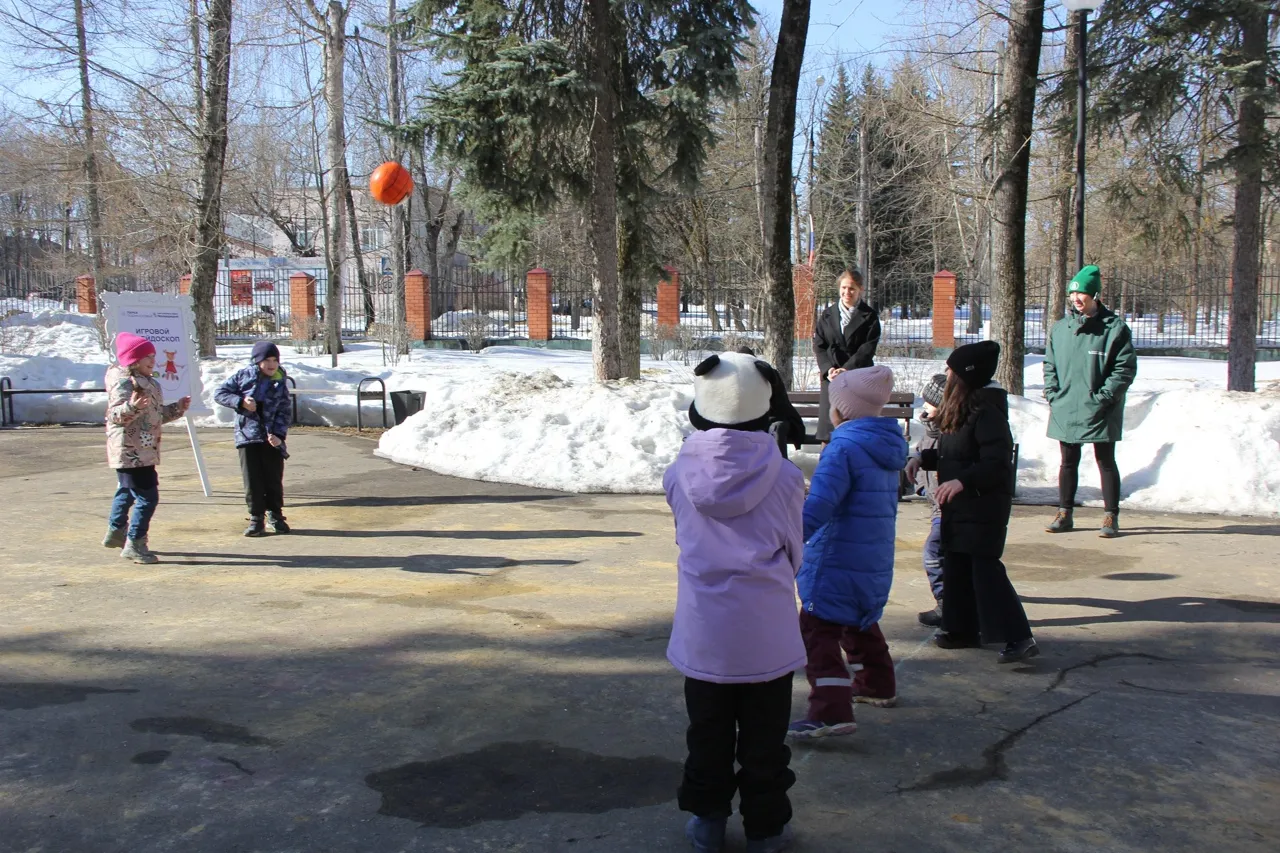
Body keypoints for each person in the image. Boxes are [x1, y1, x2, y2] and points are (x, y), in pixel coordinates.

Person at [665, 351, 804, 853]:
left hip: (704, 629)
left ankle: (706, 821)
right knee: (766, 737)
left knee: (707, 730)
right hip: (765, 628)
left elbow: (685, 535)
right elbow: (794, 549)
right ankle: (767, 827)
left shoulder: (679, 472)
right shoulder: (785, 477)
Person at [788, 366, 907, 740]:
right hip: (872, 557)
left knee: (816, 627)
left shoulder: (842, 447)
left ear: (839, 409)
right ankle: (877, 683)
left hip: (836, 556)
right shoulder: (887, 446)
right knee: (858, 617)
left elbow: (820, 505)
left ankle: (829, 709)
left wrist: (791, 538)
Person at [905, 341, 1038, 664]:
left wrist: (962, 481)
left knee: (985, 571)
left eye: (951, 371)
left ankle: (1019, 637)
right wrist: (924, 459)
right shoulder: (963, 408)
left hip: (983, 507)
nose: (946, 376)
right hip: (961, 507)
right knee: (958, 567)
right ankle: (960, 629)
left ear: (966, 376)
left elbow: (995, 464)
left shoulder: (987, 412)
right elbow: (957, 453)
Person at [1043, 265, 1138, 538]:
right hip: (1066, 405)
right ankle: (1064, 513)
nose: (1076, 299)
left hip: (1100, 408)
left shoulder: (1115, 329)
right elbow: (1050, 365)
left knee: (1105, 460)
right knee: (1067, 461)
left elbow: (1124, 369)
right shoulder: (1060, 329)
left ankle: (1110, 517)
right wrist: (1053, 393)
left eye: (1081, 293)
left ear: (1094, 295)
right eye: (1073, 294)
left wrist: (1103, 397)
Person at [103, 332, 192, 564]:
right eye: (146, 357)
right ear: (133, 360)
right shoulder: (126, 383)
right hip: (129, 450)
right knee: (147, 497)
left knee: (126, 491)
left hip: (144, 449)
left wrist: (177, 408)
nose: (152, 360)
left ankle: (115, 531)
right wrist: (131, 407)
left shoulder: (151, 383)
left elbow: (154, 416)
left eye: (153, 356)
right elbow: (114, 416)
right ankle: (135, 542)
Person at [215, 341, 293, 537]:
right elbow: (220, 393)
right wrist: (240, 402)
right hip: (247, 436)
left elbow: (284, 411)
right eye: (267, 360)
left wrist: (279, 435)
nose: (271, 364)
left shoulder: (280, 381)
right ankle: (256, 518)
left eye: (275, 360)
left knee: (273, 478)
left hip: (271, 438)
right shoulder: (243, 376)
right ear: (257, 361)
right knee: (253, 480)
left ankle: (275, 514)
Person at [812, 269, 881, 444]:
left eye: (852, 288)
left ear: (860, 290)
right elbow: (820, 346)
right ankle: (828, 465)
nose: (847, 292)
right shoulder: (827, 315)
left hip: (857, 379)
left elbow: (867, 348)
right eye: (844, 287)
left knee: (855, 433)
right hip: (832, 380)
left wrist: (847, 369)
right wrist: (829, 369)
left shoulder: (870, 316)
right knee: (828, 435)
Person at [914, 373, 947, 628]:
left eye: (930, 403)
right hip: (937, 505)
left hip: (948, 509)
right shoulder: (931, 430)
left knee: (933, 552)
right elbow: (922, 453)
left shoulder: (950, 432)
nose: (925, 408)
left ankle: (946, 602)